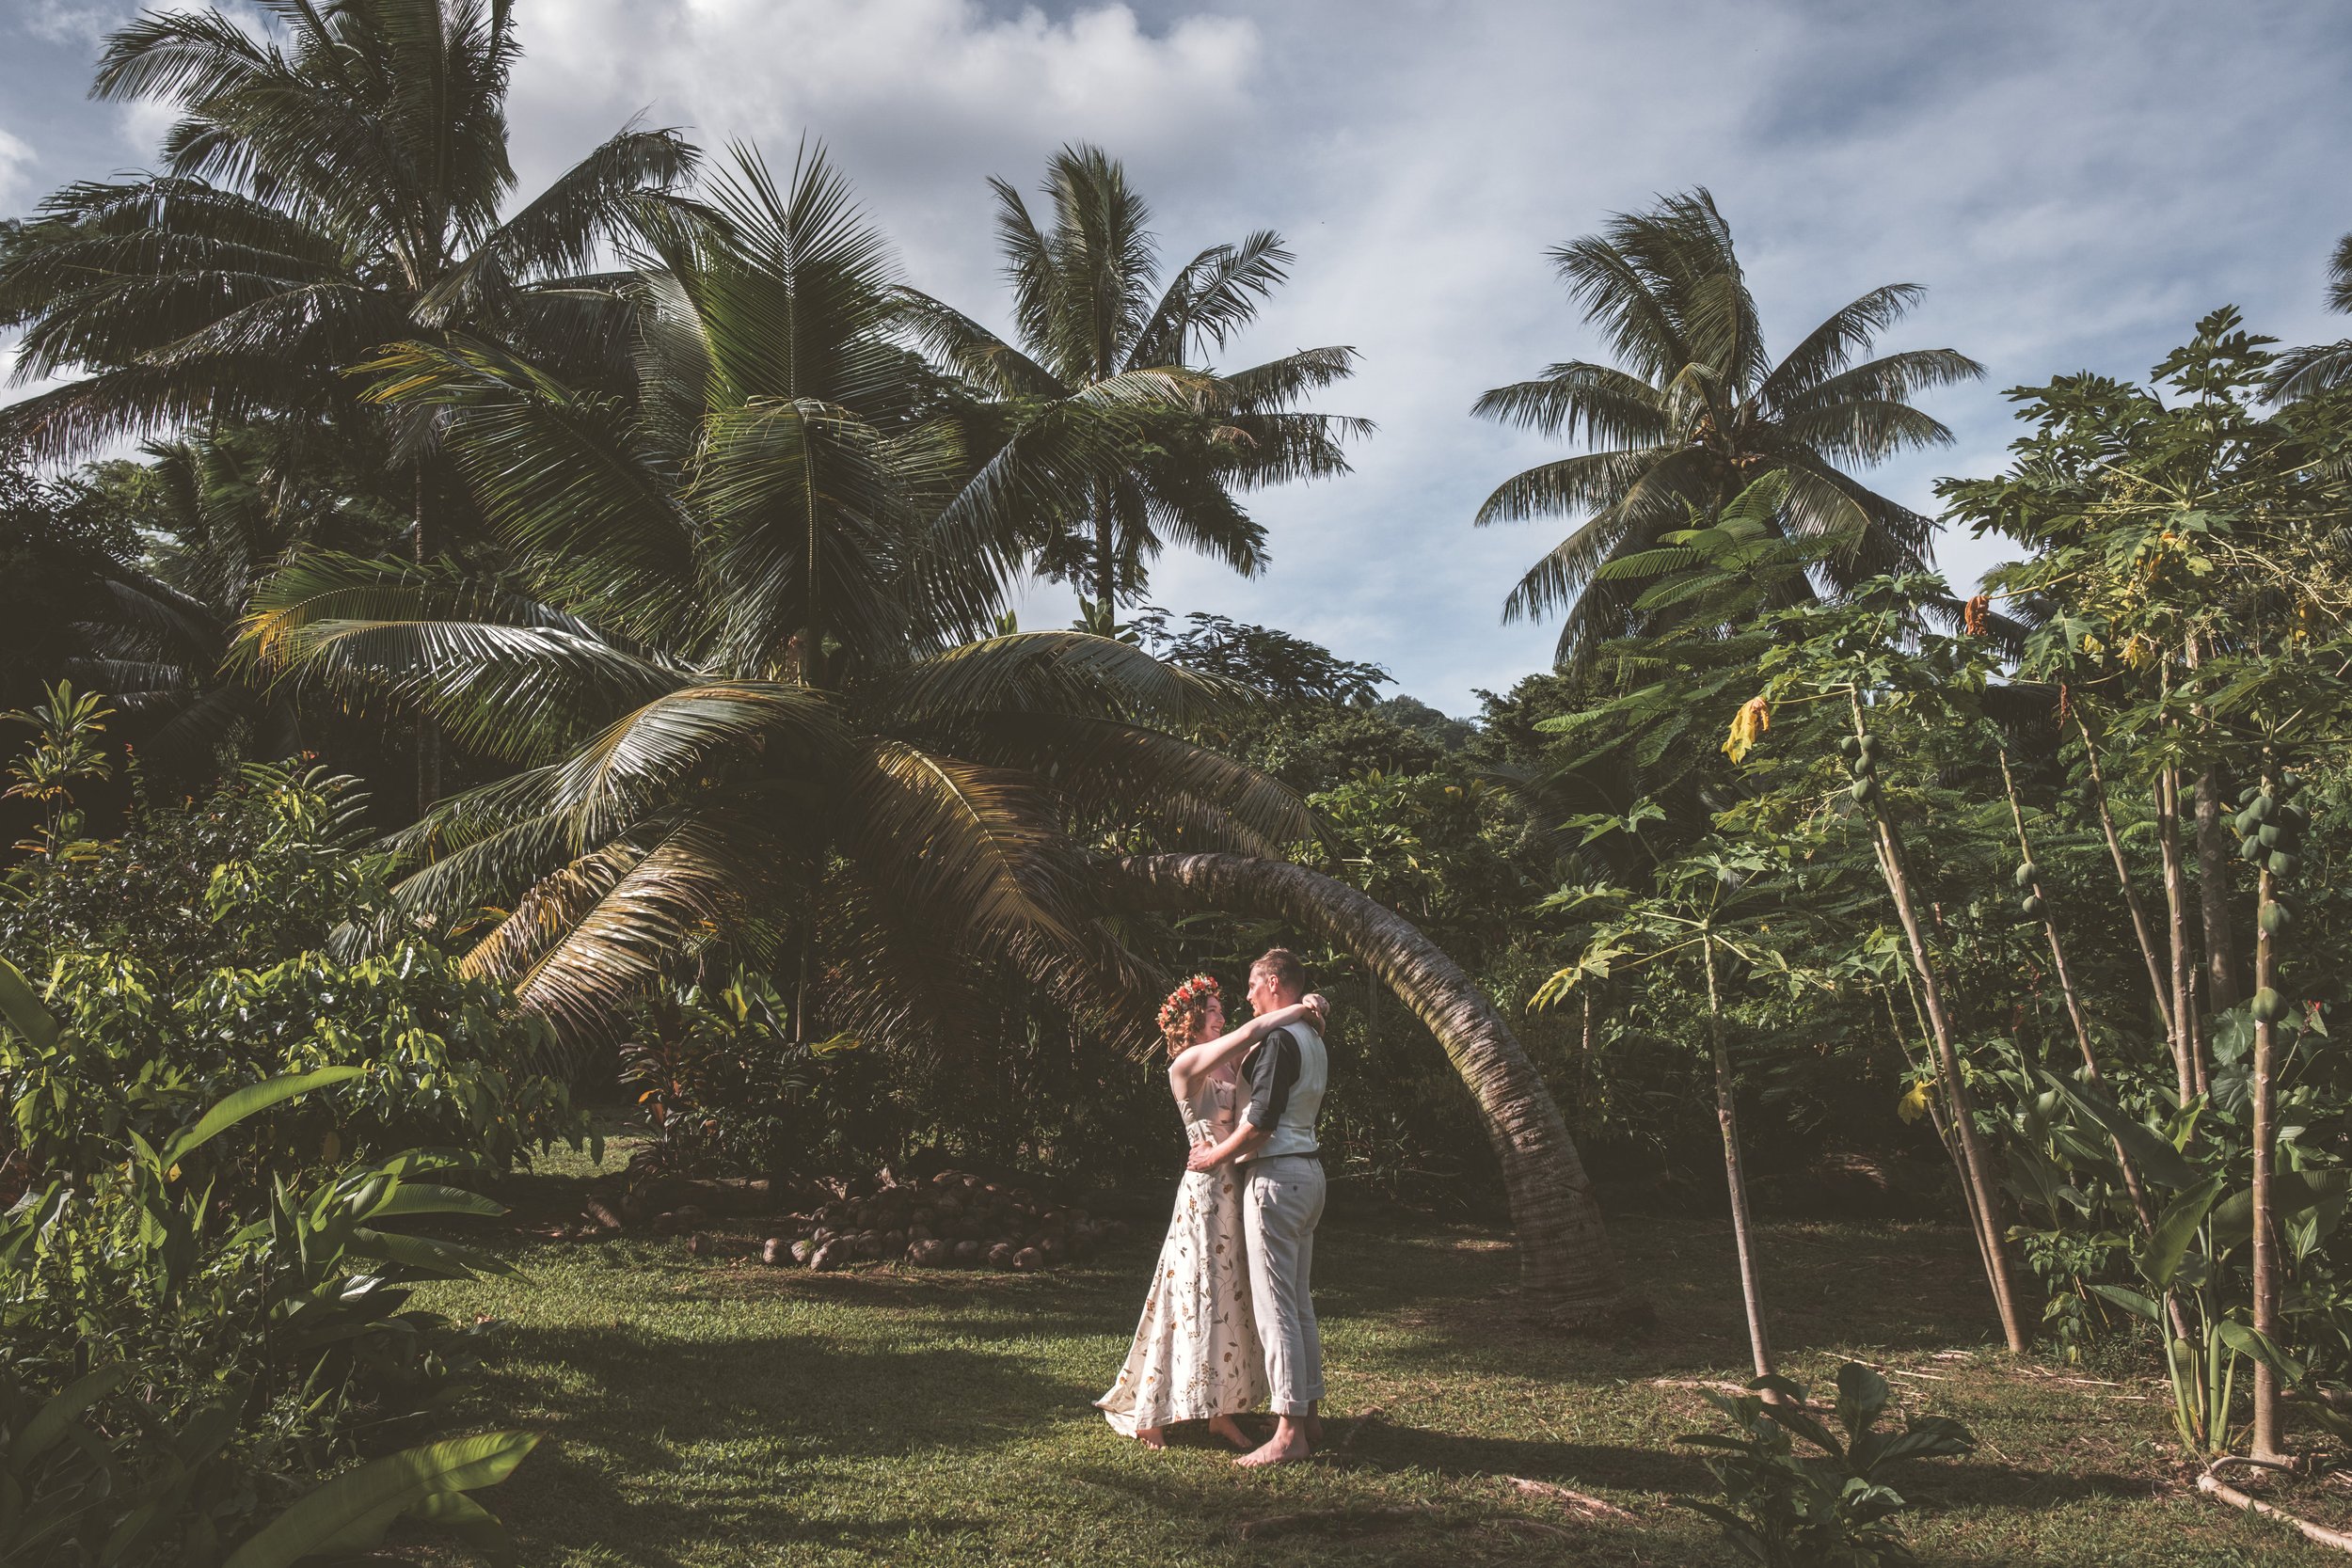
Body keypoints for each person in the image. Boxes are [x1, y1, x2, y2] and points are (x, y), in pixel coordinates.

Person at [1097, 974, 1327, 1449]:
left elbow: (1268, 1054)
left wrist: (1309, 1007)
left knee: (1231, 1302)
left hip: (1238, 1184)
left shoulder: (1230, 1066)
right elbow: (1253, 1032)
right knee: (1191, 1297)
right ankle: (1151, 1413)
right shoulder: (1186, 1064)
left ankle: (1222, 1411)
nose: (1225, 1015)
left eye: (1223, 1008)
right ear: (1193, 1019)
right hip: (1205, 1190)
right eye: (1215, 1010)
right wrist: (1303, 1008)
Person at [1185, 947, 1329, 1466]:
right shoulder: (1312, 1035)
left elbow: (1262, 1118)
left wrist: (1215, 1155)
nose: (1246, 996)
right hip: (1308, 1171)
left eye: (1251, 985)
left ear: (1272, 982)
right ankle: (1309, 1414)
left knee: (1277, 1311)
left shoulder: (1278, 1038)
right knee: (1300, 1302)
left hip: (1276, 1175)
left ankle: (1289, 1432)